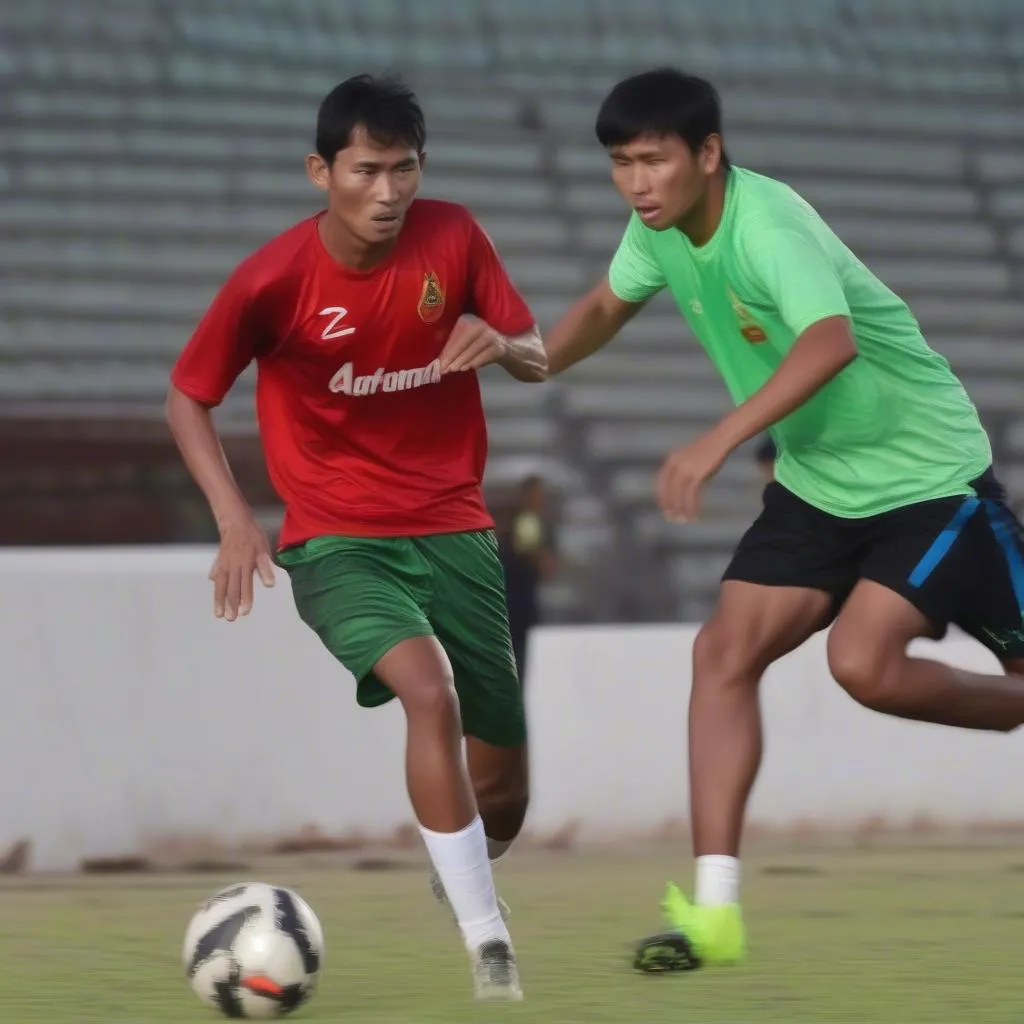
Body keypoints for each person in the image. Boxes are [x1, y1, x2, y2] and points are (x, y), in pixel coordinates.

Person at [544, 66, 1024, 973]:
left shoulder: (767, 224)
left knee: (862, 665)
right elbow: (607, 305)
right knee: (723, 653)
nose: (637, 182)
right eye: (620, 163)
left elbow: (830, 341)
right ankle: (715, 914)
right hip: (819, 487)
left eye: (654, 160)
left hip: (929, 483)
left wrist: (718, 438)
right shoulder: (660, 233)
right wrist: (522, 357)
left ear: (710, 154)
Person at [165, 73, 547, 1002]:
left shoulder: (455, 238)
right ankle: (488, 941)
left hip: (457, 530)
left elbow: (538, 355)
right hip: (334, 539)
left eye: (403, 169)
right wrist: (233, 518)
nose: (387, 193)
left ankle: (467, 859)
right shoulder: (272, 280)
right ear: (320, 170)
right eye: (366, 170)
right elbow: (189, 395)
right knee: (429, 694)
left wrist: (500, 345)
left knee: (505, 799)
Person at [497, 474, 557, 683]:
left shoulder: (531, 522)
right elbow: (527, 554)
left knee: (519, 650)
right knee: (516, 649)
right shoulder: (524, 521)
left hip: (521, 595)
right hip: (516, 595)